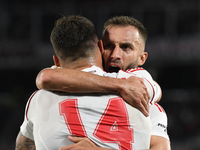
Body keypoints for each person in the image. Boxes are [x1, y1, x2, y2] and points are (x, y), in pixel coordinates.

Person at [15, 15, 153, 150]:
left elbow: (22, 146)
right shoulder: (136, 86)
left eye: (126, 47)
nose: (115, 55)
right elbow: (45, 77)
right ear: (101, 47)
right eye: (109, 46)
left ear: (56, 61)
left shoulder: (38, 99)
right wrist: (121, 84)